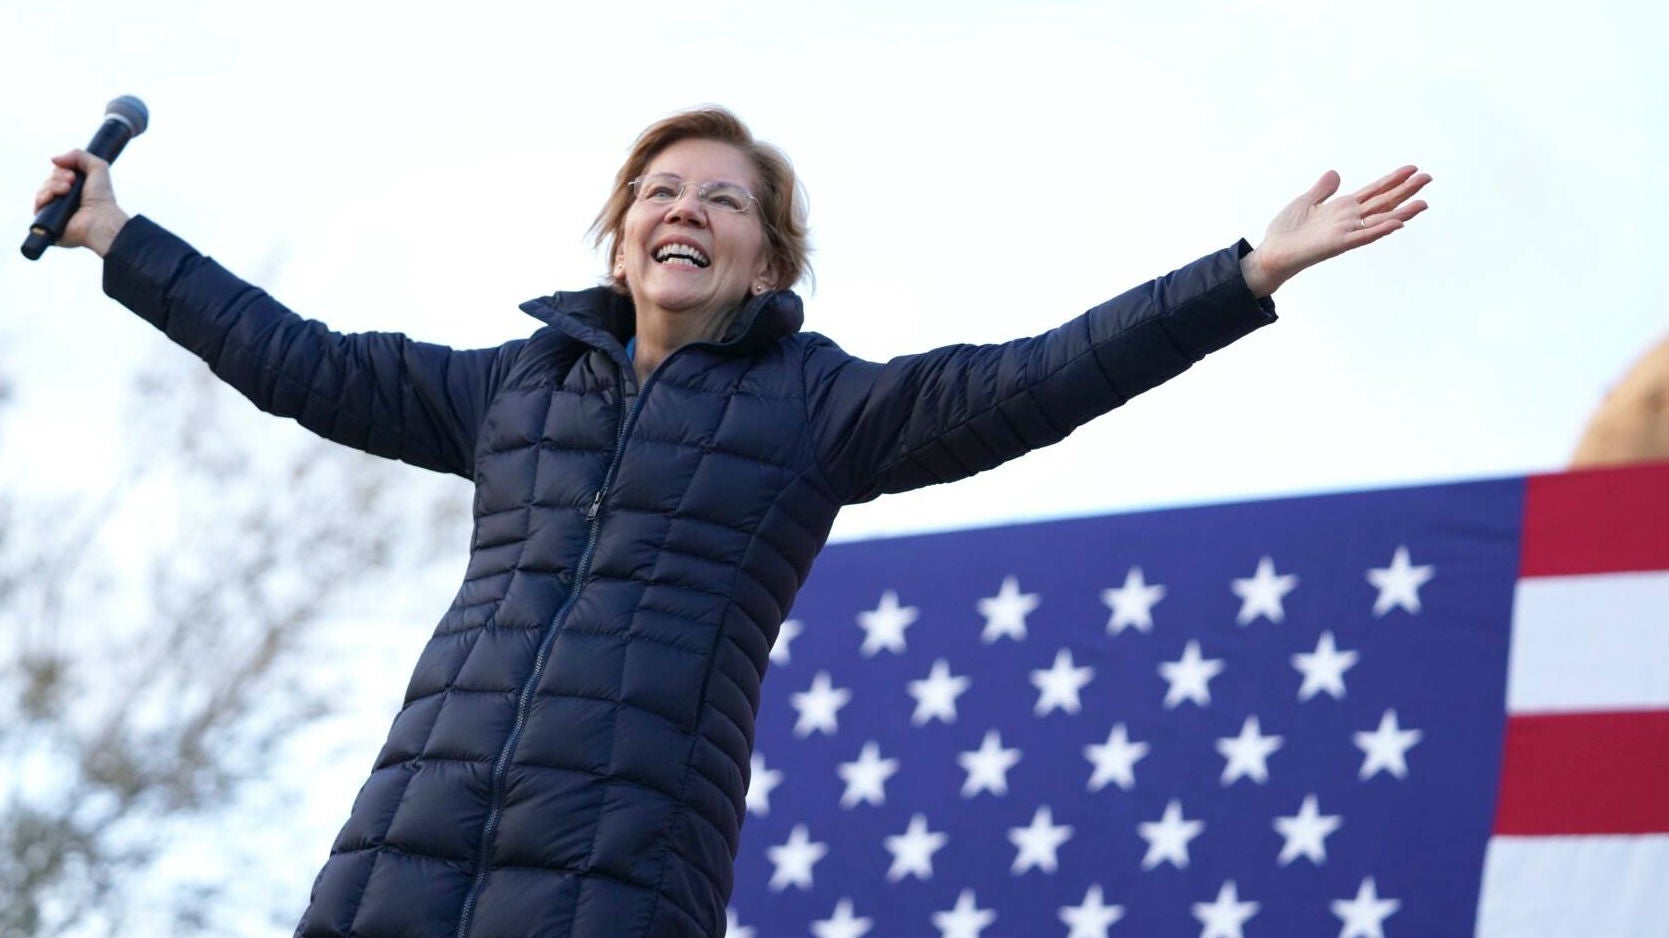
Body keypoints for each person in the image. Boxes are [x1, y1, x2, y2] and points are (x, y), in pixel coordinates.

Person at [33, 106, 1429, 938]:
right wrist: (117, 237)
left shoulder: (818, 407)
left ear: (766, 261)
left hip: (622, 875)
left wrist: (1243, 275)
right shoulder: (515, 388)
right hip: (402, 850)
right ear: (620, 237)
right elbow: (300, 360)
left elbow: (1036, 379)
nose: (683, 209)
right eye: (659, 191)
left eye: (722, 200)